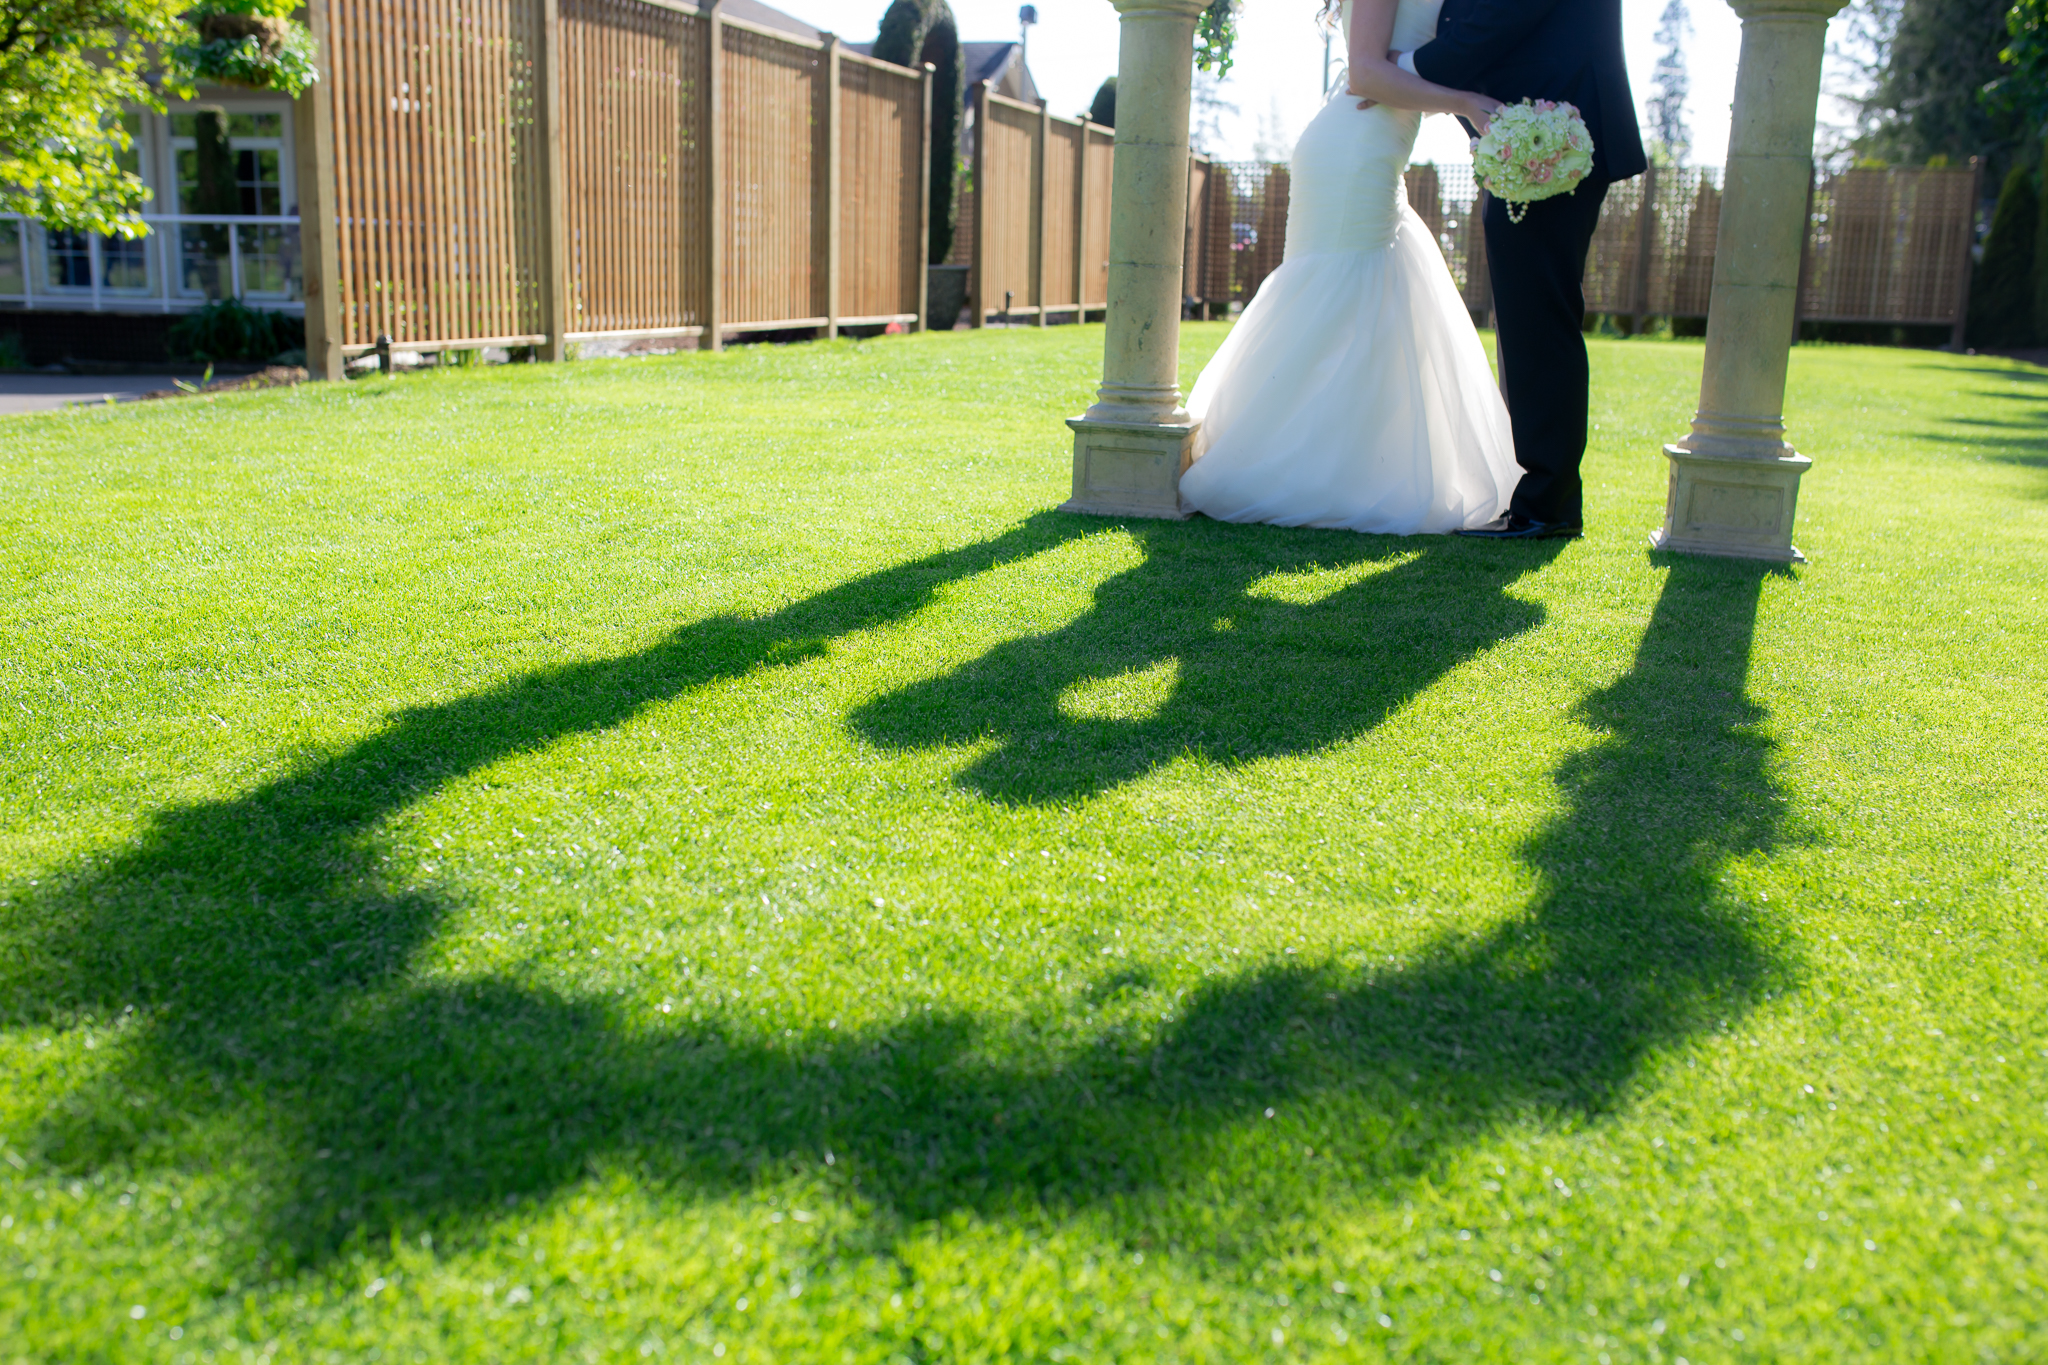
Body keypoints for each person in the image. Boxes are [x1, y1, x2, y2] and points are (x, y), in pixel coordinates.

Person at [1177, 0, 1519, 536]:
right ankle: (1285, 462)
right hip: (1353, 146)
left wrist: (1422, 88)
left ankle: (1346, 465)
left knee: (1373, 292)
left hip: (1374, 139)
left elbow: (1393, 70)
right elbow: (1365, 73)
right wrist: (1464, 100)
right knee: (1337, 289)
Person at [1405, 0, 1647, 539]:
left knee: (1538, 317)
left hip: (1552, 133)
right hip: (1536, 126)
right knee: (1527, 316)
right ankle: (1539, 495)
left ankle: (1547, 504)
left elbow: (1502, 14)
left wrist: (1407, 66)